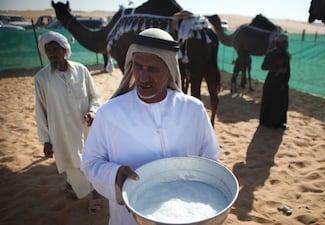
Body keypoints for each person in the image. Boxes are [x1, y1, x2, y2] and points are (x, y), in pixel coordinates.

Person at [81, 28, 220, 225]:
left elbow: (211, 160)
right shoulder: (109, 113)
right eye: (138, 66)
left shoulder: (193, 110)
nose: (143, 77)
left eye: (153, 69)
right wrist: (114, 175)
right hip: (129, 219)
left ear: (170, 69)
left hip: (185, 214)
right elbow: (90, 163)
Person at [34, 31, 102, 209]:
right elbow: (40, 112)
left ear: (65, 50)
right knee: (71, 163)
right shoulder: (41, 79)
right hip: (61, 132)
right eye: (48, 50)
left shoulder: (81, 70)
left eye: (55, 49)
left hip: (85, 128)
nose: (52, 54)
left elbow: (95, 96)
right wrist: (46, 140)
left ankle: (89, 192)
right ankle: (86, 191)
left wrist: (93, 111)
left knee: (90, 161)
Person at [259, 33, 291, 129]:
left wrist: (284, 77)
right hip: (272, 82)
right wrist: (275, 68)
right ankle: (266, 123)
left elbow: (287, 68)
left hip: (283, 82)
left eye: (285, 42)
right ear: (278, 43)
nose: (284, 44)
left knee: (282, 103)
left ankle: (279, 123)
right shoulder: (271, 53)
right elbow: (263, 67)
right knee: (269, 101)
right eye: (283, 42)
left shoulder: (286, 54)